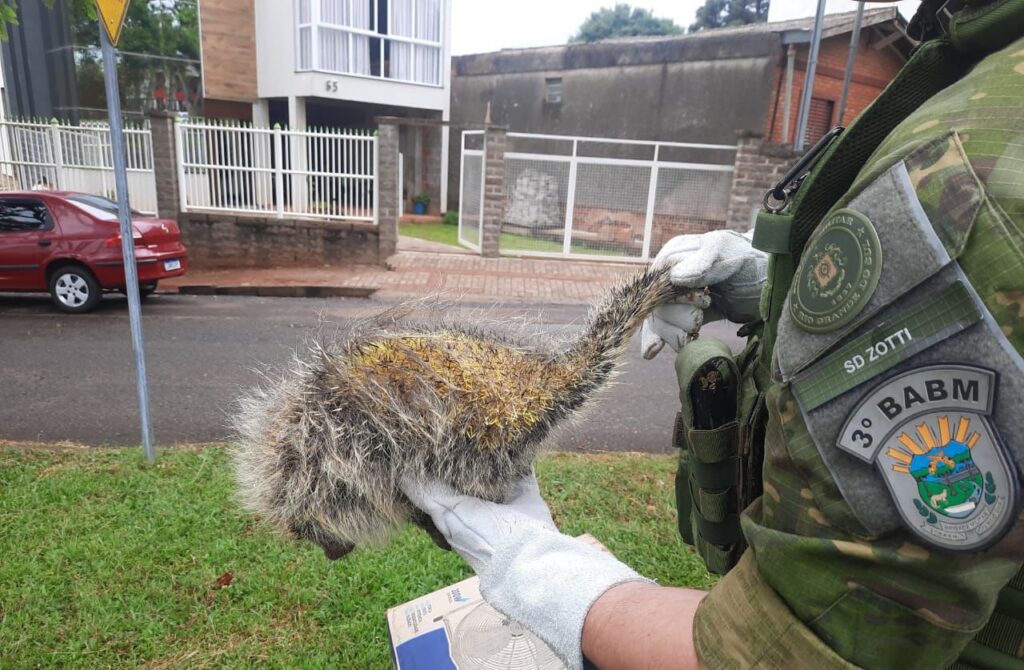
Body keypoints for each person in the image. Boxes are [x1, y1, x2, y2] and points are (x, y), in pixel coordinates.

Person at [402, 2, 1024, 667]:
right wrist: (781, 286)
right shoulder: (977, 58)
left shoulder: (970, 162)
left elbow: (779, 656)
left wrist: (537, 568)